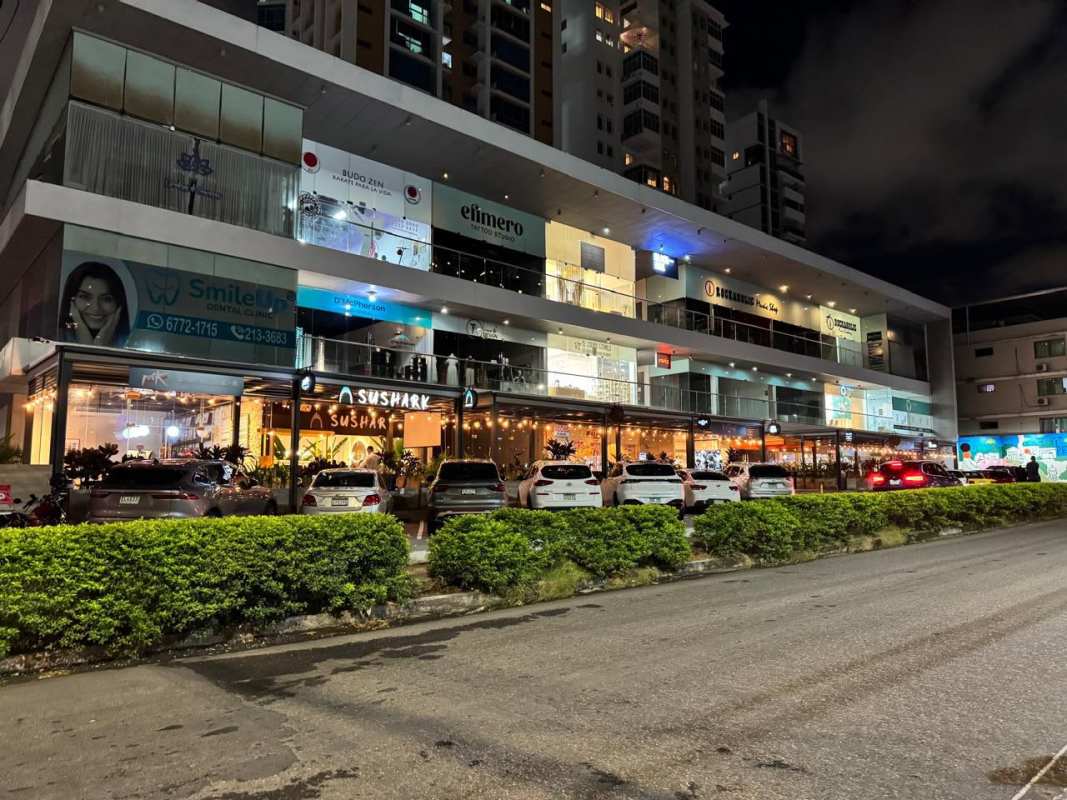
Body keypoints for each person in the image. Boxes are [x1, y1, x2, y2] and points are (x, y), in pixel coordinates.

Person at [60, 261, 130, 347]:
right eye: (84, 297)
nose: (96, 308)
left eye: (106, 299)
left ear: (118, 304)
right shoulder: (53, 339)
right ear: (71, 300)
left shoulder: (131, 344)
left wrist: (100, 344)